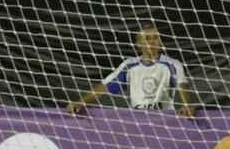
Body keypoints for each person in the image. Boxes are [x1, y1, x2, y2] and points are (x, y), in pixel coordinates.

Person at [67, 22, 195, 117]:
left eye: (155, 38)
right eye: (147, 38)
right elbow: (105, 86)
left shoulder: (172, 64)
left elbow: (182, 85)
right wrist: (80, 102)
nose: (152, 42)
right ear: (138, 44)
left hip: (165, 121)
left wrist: (187, 105)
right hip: (138, 122)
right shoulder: (129, 65)